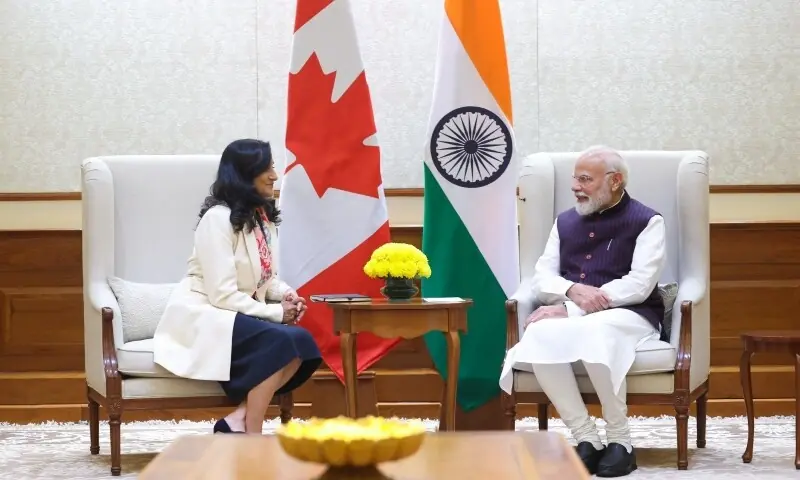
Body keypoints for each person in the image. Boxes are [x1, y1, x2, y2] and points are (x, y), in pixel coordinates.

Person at [499, 146, 666, 477]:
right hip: (574, 310)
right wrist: (570, 291)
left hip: (631, 314)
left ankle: (621, 441)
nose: (576, 186)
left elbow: (640, 284)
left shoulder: (648, 220)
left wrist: (570, 308)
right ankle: (586, 438)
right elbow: (543, 276)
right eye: (575, 178)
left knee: (595, 330)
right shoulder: (564, 222)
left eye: (586, 179)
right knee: (539, 332)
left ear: (615, 181)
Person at [153, 139, 322, 435]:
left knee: (303, 343)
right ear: (244, 174)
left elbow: (264, 279)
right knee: (281, 341)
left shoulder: (261, 219)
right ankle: (253, 431)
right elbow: (222, 294)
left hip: (237, 313)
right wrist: (275, 314)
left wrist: (286, 295)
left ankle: (237, 423)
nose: (274, 175)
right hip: (206, 313)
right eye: (266, 167)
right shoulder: (216, 220)